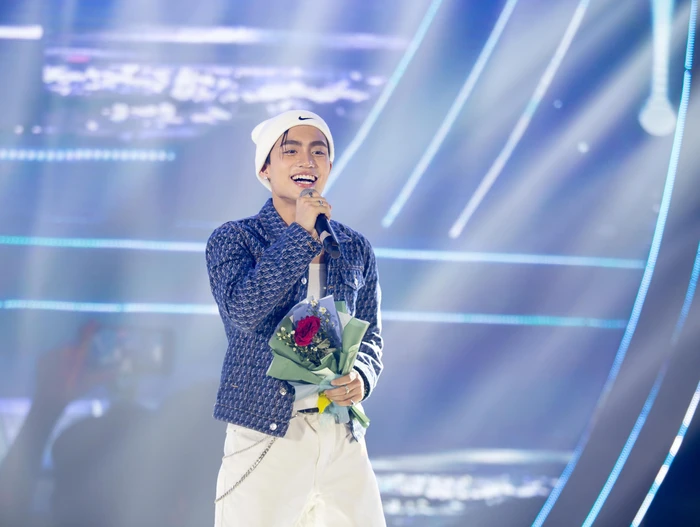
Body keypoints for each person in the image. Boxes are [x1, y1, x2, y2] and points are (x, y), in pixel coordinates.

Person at [205, 109, 385, 526]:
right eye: (291, 151)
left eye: (318, 152)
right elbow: (244, 311)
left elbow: (371, 334)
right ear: (265, 169)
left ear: (329, 166)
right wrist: (300, 235)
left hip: (340, 432)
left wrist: (361, 375)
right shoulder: (234, 239)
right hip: (267, 430)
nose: (307, 161)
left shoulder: (354, 247)